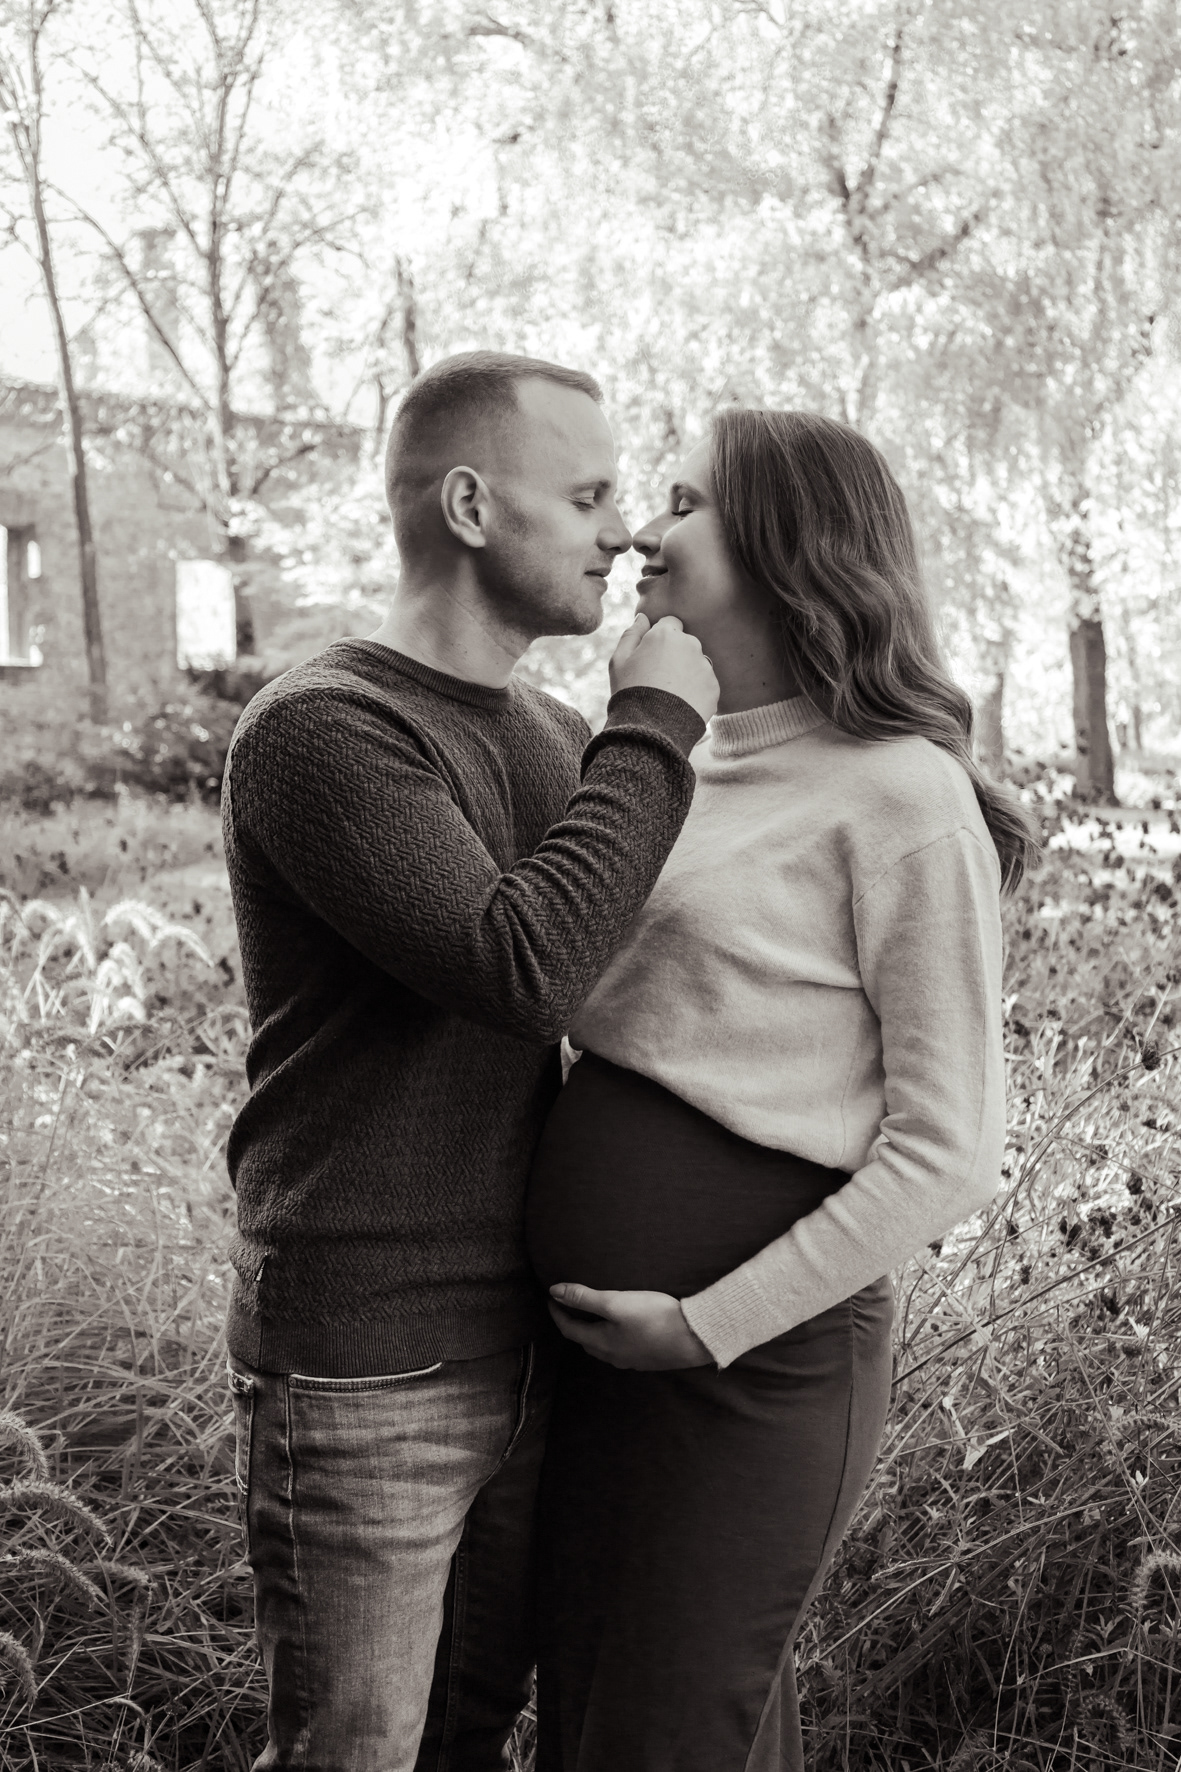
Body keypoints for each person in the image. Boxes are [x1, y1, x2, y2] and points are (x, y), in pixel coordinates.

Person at [220, 350, 718, 1770]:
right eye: (589, 496)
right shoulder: (325, 729)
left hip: (539, 1345)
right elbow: (521, 968)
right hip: (368, 1364)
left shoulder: (555, 734)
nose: (625, 531)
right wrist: (655, 727)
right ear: (470, 507)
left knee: (468, 1738)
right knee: (356, 1752)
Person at [527, 408, 1041, 1772]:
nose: (644, 532)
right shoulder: (667, 762)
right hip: (603, 1364)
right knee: (622, 1719)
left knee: (663, 1732)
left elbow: (948, 1151)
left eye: (685, 503)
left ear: (784, 546)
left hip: (753, 1364)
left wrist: (708, 1325)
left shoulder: (900, 795)